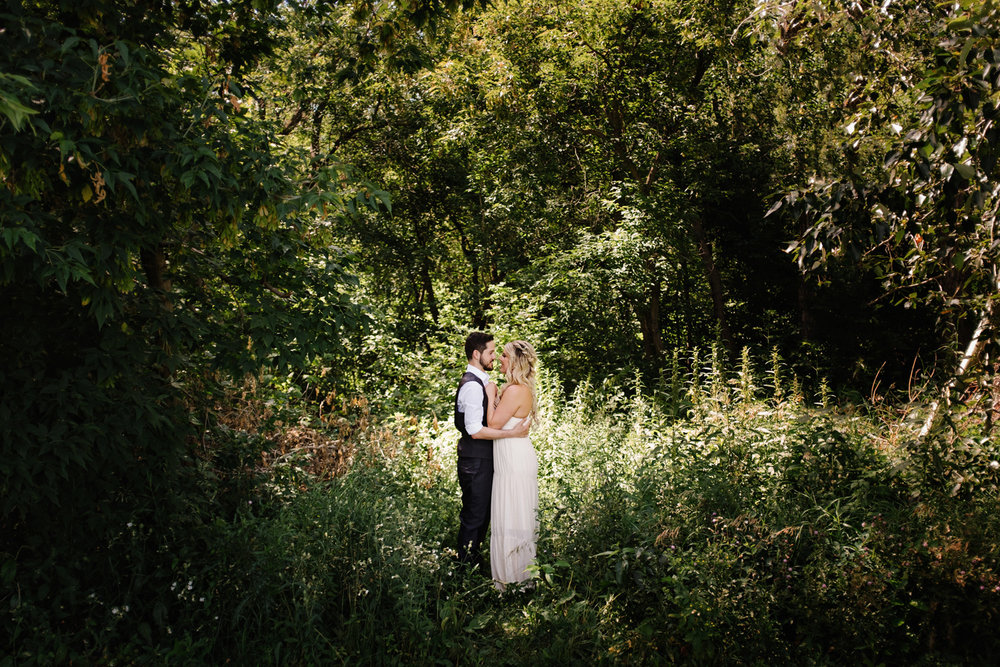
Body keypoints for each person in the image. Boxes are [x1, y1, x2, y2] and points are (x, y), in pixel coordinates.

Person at [454, 331, 530, 576]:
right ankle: (465, 573)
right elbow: (475, 430)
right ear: (477, 354)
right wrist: (511, 434)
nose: (496, 358)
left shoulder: (489, 385)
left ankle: (486, 568)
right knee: (475, 517)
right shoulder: (474, 387)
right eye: (491, 352)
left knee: (485, 516)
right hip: (476, 462)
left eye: (500, 354)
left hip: (492, 461)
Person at [487, 340, 539, 590]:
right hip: (512, 457)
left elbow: (493, 424)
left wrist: (489, 395)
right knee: (512, 513)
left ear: (515, 362)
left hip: (515, 461)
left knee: (512, 514)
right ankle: (515, 580)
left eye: (504, 357)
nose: (499, 360)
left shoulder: (515, 390)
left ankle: (512, 581)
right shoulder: (517, 389)